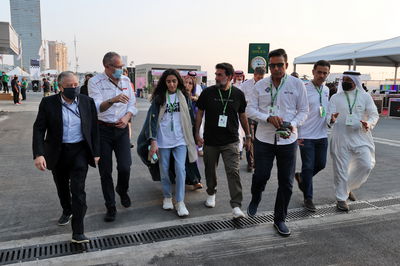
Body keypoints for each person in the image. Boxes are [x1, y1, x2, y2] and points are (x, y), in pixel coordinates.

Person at [246, 49, 308, 236]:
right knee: (261, 176)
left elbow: (304, 111)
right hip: (264, 139)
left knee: (286, 182)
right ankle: (256, 196)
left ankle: (279, 219)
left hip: (288, 140)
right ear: (268, 66)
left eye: (280, 64)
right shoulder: (260, 85)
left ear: (286, 65)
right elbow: (250, 110)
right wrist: (267, 118)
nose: (276, 68)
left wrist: (293, 124)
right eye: (272, 65)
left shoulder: (297, 85)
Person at [32, 71, 100, 243]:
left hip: (80, 152)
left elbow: (94, 129)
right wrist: (39, 154)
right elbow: (39, 129)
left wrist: (96, 152)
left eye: (76, 85)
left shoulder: (87, 102)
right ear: (60, 87)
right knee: (62, 187)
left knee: (78, 191)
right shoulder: (48, 103)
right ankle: (66, 209)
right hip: (58, 152)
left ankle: (78, 231)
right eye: (69, 86)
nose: (74, 88)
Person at [195, 62, 251, 219]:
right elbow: (199, 113)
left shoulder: (238, 94)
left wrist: (248, 136)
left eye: (220, 75)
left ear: (230, 77)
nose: (217, 77)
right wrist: (197, 134)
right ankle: (211, 192)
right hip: (211, 141)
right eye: (216, 74)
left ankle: (236, 206)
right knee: (210, 170)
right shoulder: (208, 93)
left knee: (233, 172)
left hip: (231, 141)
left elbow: (243, 116)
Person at [88, 52, 138, 222]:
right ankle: (110, 206)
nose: (121, 70)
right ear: (107, 66)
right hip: (103, 130)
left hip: (122, 129)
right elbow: (97, 108)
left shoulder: (125, 81)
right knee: (105, 171)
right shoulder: (95, 82)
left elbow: (132, 103)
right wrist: (113, 99)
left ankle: (122, 190)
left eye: (122, 66)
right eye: (117, 67)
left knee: (125, 166)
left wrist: (127, 117)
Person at [145, 69, 198, 216]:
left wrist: (195, 136)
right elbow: (152, 119)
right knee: (165, 169)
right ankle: (167, 196)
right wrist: (153, 140)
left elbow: (190, 118)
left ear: (178, 82)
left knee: (181, 169)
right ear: (164, 82)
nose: (171, 84)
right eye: (168, 81)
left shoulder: (184, 97)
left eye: (174, 81)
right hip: (163, 140)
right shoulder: (159, 98)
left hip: (180, 139)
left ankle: (180, 202)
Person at [328, 71, 379, 211]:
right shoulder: (335, 98)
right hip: (340, 137)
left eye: (348, 80)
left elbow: (374, 114)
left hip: (360, 136)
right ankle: (341, 198)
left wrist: (368, 123)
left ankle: (347, 187)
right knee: (341, 169)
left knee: (366, 164)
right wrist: (331, 119)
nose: (344, 82)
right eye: (343, 79)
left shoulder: (365, 97)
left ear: (355, 81)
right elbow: (328, 115)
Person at [295, 60, 331, 211]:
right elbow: (296, 112)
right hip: (306, 136)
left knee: (321, 164)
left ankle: (302, 177)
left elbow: (326, 110)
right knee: (308, 166)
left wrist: (331, 119)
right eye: (319, 72)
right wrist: (297, 134)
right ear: (313, 72)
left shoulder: (326, 89)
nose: (321, 76)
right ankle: (308, 198)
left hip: (322, 135)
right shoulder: (303, 89)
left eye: (325, 73)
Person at [239, 66, 266, 172]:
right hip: (248, 115)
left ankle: (257, 161)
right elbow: (240, 99)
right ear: (254, 75)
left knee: (259, 139)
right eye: (259, 77)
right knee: (250, 137)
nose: (260, 79)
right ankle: (250, 163)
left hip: (261, 115)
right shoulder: (245, 85)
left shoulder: (266, 84)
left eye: (262, 77)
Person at [183, 73, 203, 190]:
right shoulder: (179, 97)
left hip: (192, 131)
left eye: (190, 83)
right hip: (180, 132)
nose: (187, 85)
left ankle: (195, 180)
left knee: (191, 156)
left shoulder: (196, 99)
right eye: (186, 82)